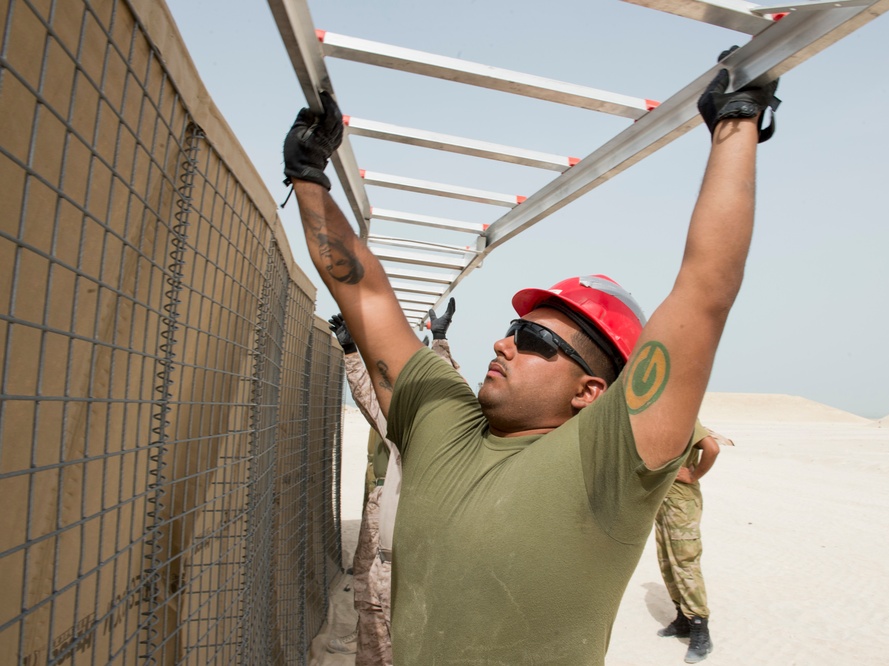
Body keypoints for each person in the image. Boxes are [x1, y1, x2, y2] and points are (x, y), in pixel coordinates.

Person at [282, 48, 780, 664]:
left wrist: (736, 125)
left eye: (537, 341)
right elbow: (366, 296)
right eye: (515, 327)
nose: (502, 342)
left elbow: (704, 291)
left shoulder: (608, 465)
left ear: (590, 392)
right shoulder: (443, 424)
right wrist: (308, 175)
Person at [329, 300, 459, 666]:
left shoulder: (457, 437)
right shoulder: (402, 428)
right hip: (382, 570)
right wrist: (352, 351)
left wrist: (441, 340)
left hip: (423, 575)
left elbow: (451, 387)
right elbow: (370, 399)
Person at [655, 424, 734, 663]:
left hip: (681, 503)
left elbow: (712, 448)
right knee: (667, 560)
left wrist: (693, 475)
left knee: (685, 562)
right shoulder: (665, 417)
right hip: (664, 500)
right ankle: (682, 618)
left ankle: (700, 629)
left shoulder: (688, 418)